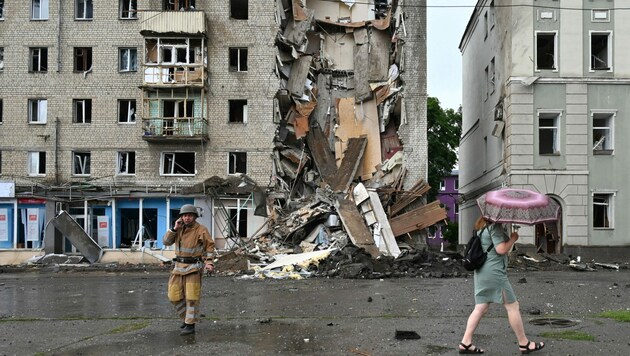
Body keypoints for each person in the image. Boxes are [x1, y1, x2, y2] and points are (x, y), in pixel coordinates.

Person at [458, 216, 545, 354]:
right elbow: (501, 250)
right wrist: (513, 239)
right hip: (494, 273)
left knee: (481, 307)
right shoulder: (495, 227)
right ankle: (524, 343)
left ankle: (465, 342)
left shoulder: (480, 227)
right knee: (512, 306)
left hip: (481, 272)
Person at [163, 204, 215, 336]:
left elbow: (209, 247)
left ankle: (190, 325)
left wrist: (209, 263)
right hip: (178, 268)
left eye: (189, 215)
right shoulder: (178, 228)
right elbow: (166, 242)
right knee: (173, 296)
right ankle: (186, 319)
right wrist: (174, 229)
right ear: (181, 217)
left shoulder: (201, 230)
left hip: (193, 268)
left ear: (194, 217)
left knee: (191, 297)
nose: (187, 218)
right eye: (184, 215)